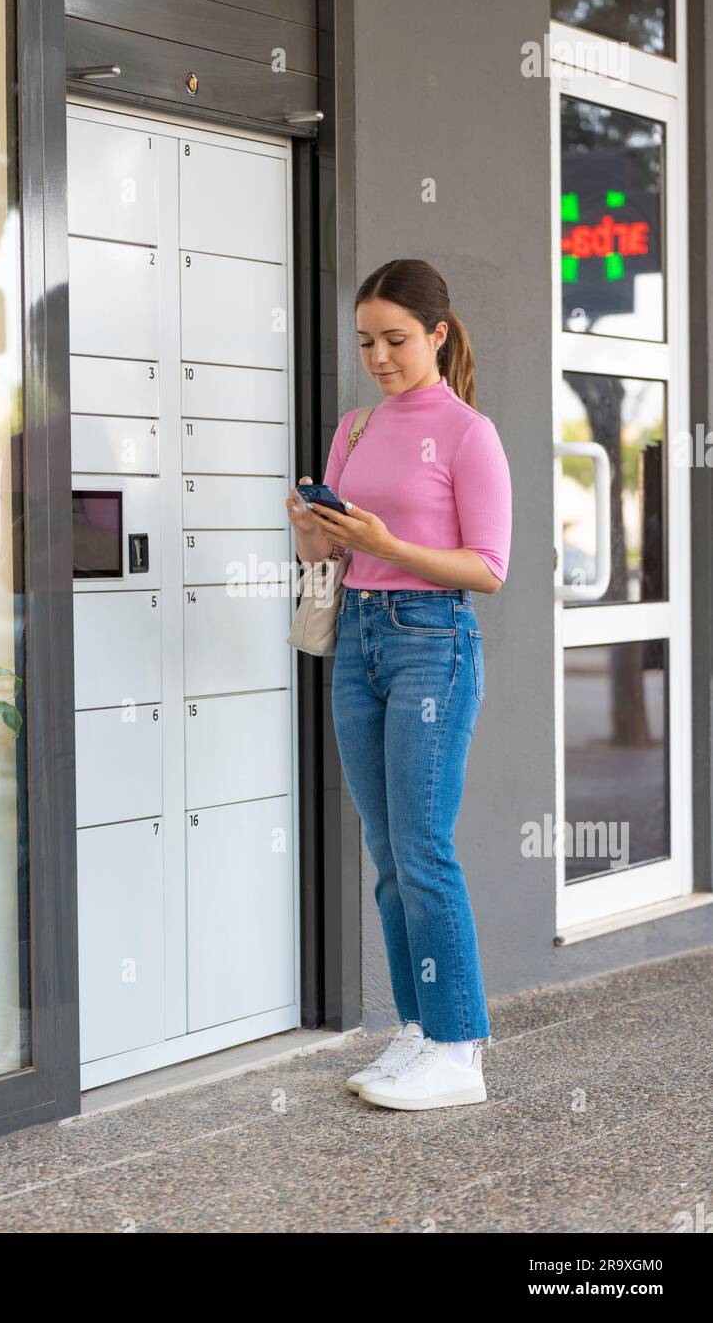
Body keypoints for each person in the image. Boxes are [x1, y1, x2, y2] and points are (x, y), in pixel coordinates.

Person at [286, 258, 512, 1111]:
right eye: (365, 341)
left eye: (396, 340)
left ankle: (461, 1051)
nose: (378, 356)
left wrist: (390, 540)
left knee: (423, 850)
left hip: (433, 642)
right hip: (361, 639)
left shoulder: (467, 434)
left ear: (438, 336)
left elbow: (488, 568)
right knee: (385, 857)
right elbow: (334, 558)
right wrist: (316, 532)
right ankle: (419, 1030)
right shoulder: (353, 430)